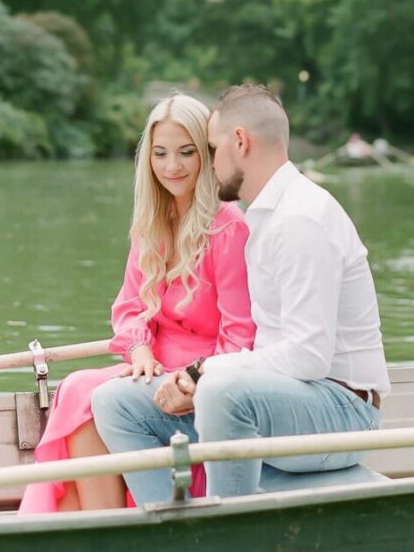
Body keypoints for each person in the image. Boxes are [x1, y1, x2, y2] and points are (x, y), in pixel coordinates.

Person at [92, 84, 390, 502]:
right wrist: (192, 380)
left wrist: (205, 374)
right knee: (113, 401)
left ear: (240, 142)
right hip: (274, 398)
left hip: (341, 409)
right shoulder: (264, 219)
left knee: (221, 391)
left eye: (211, 149)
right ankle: (171, 534)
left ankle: (226, 534)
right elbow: (262, 347)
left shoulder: (301, 219)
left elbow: (309, 356)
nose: (207, 164)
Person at [19, 93, 255, 513]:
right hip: (151, 364)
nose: (172, 167)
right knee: (78, 391)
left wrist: (193, 382)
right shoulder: (151, 224)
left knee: (86, 393)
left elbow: (240, 334)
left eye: (186, 153)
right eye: (160, 154)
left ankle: (113, 526)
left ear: (207, 154)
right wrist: (138, 346)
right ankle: (107, 527)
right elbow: (129, 307)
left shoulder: (228, 227)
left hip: (200, 375)